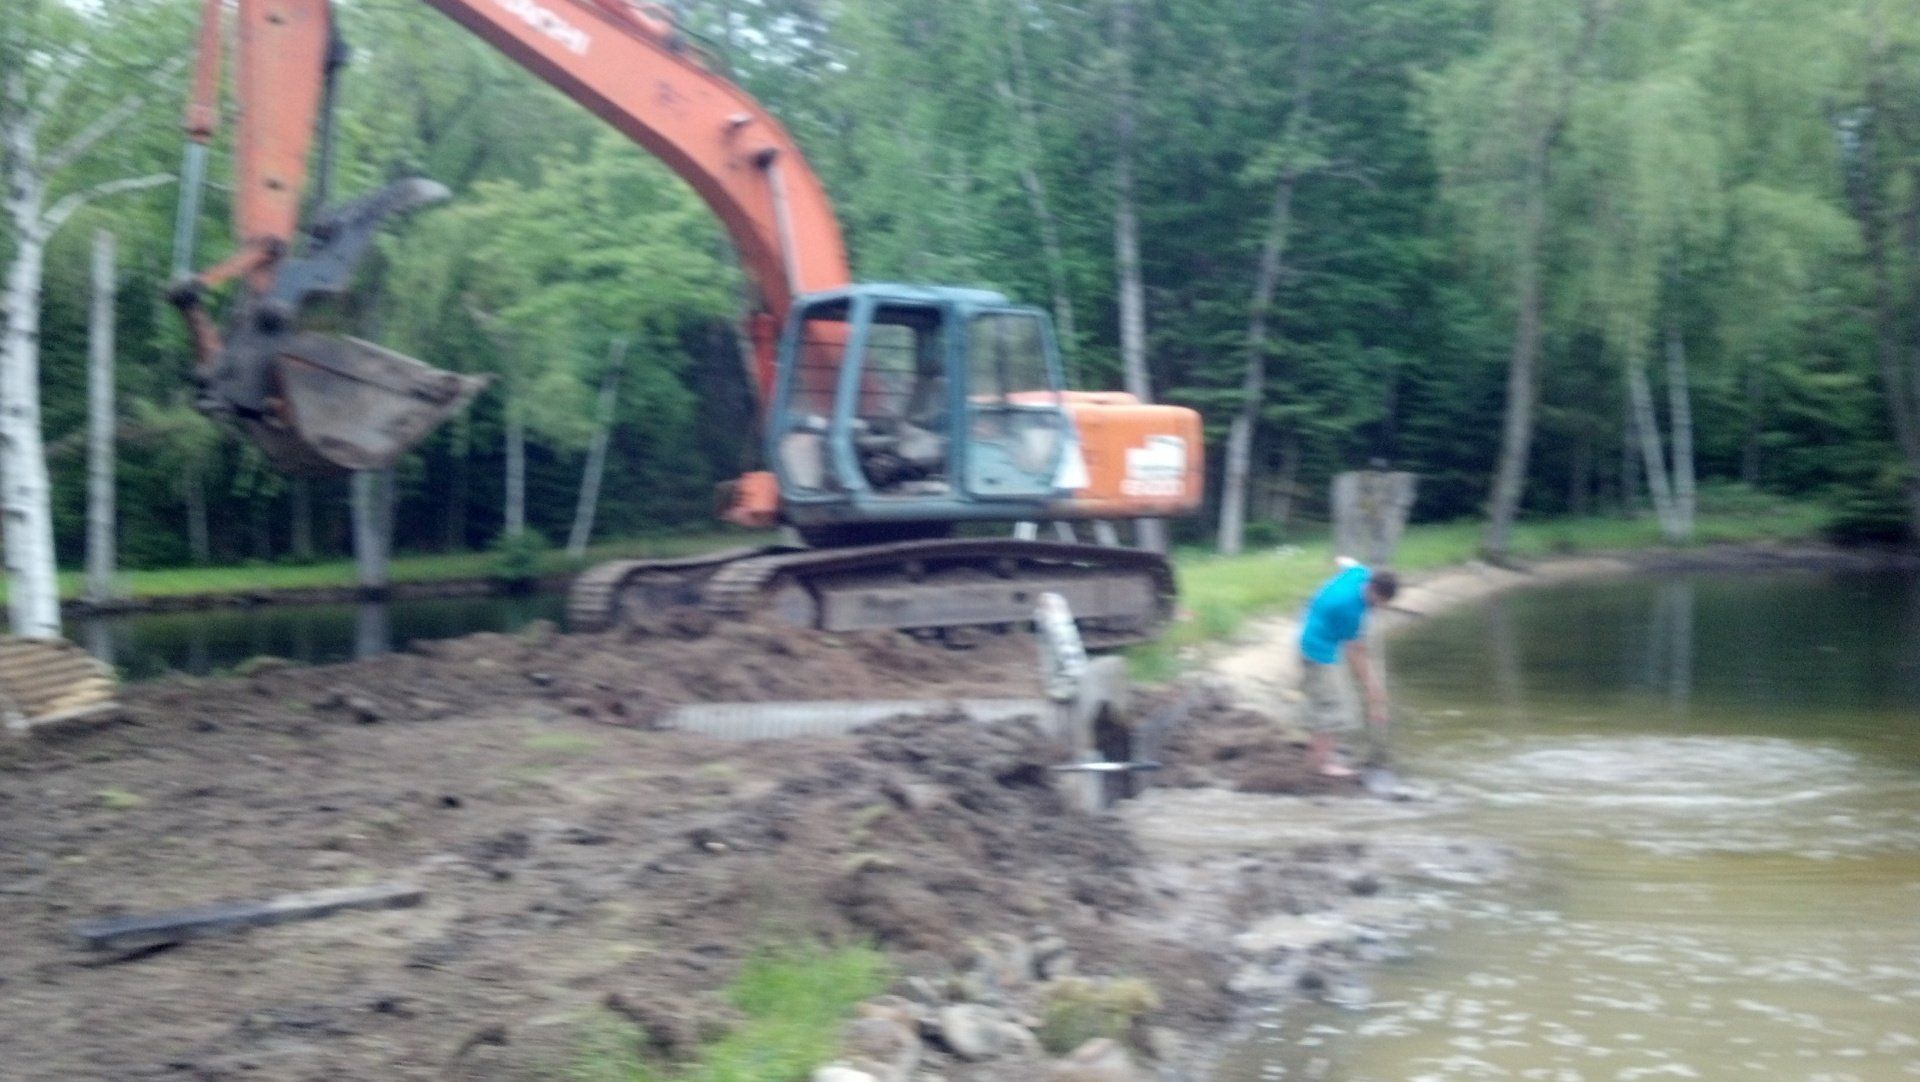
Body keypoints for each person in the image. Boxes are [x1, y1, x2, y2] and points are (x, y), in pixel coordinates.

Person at [1297, 561, 1399, 778]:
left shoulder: (1360, 573)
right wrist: (1373, 687)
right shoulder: (1350, 610)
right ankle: (1321, 766)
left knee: (1326, 703)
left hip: (1312, 631)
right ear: (1374, 590)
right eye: (1379, 602)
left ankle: (1318, 755)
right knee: (1336, 709)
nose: (1379, 607)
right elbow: (1356, 653)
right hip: (1318, 650)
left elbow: (1344, 561)